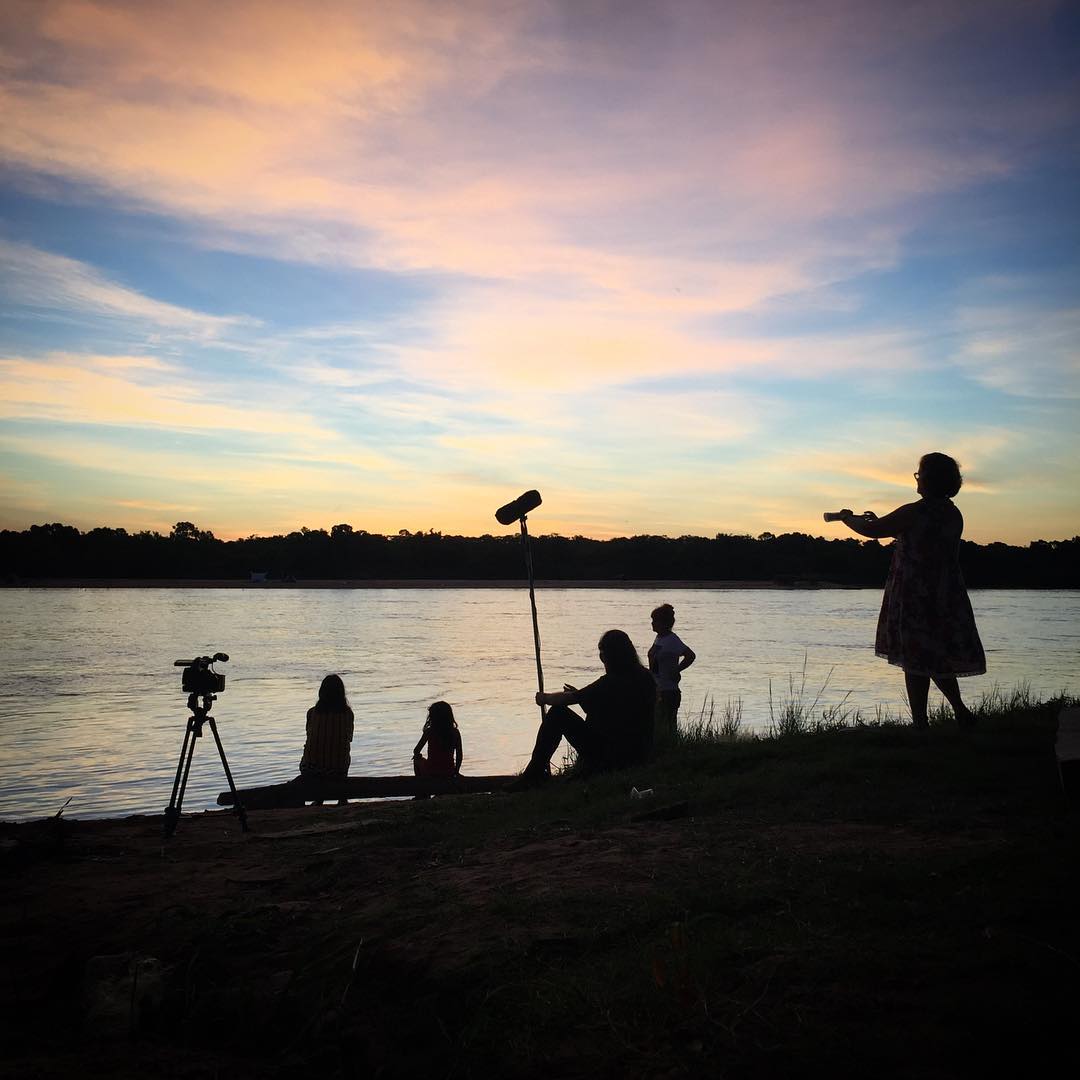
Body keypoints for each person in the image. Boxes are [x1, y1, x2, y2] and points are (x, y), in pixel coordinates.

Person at [833, 452, 985, 729]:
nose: (917, 478)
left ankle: (920, 724)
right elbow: (916, 533)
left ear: (928, 479)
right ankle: (961, 711)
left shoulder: (915, 510)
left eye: (920, 473)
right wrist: (890, 525)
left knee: (915, 657)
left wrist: (846, 519)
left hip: (916, 592)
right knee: (935, 654)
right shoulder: (952, 513)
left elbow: (873, 530)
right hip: (945, 592)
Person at [508, 628, 656, 789]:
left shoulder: (610, 682)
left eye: (602, 654)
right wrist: (581, 697)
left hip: (612, 755)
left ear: (610, 656)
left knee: (558, 713)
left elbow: (568, 699)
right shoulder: (645, 677)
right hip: (639, 754)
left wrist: (545, 698)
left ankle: (534, 773)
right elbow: (608, 714)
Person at [298, 674, 354, 803]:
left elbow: (309, 736)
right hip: (338, 770)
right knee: (344, 751)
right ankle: (342, 798)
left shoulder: (312, 713)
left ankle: (319, 799)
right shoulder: (348, 714)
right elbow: (349, 738)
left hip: (311, 770)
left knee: (311, 750)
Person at [647, 603, 696, 747]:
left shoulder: (672, 640)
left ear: (663, 623)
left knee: (667, 725)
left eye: (655, 620)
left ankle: (671, 752)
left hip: (669, 690)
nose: (652, 623)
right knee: (657, 726)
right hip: (657, 689)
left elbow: (690, 655)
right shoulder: (659, 638)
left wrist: (677, 670)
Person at [413, 700, 463, 777]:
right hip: (449, 771)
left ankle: (420, 780)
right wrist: (456, 771)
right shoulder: (455, 732)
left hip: (431, 771)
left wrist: (418, 756)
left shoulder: (429, 731)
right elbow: (459, 755)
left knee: (416, 759)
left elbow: (416, 750)